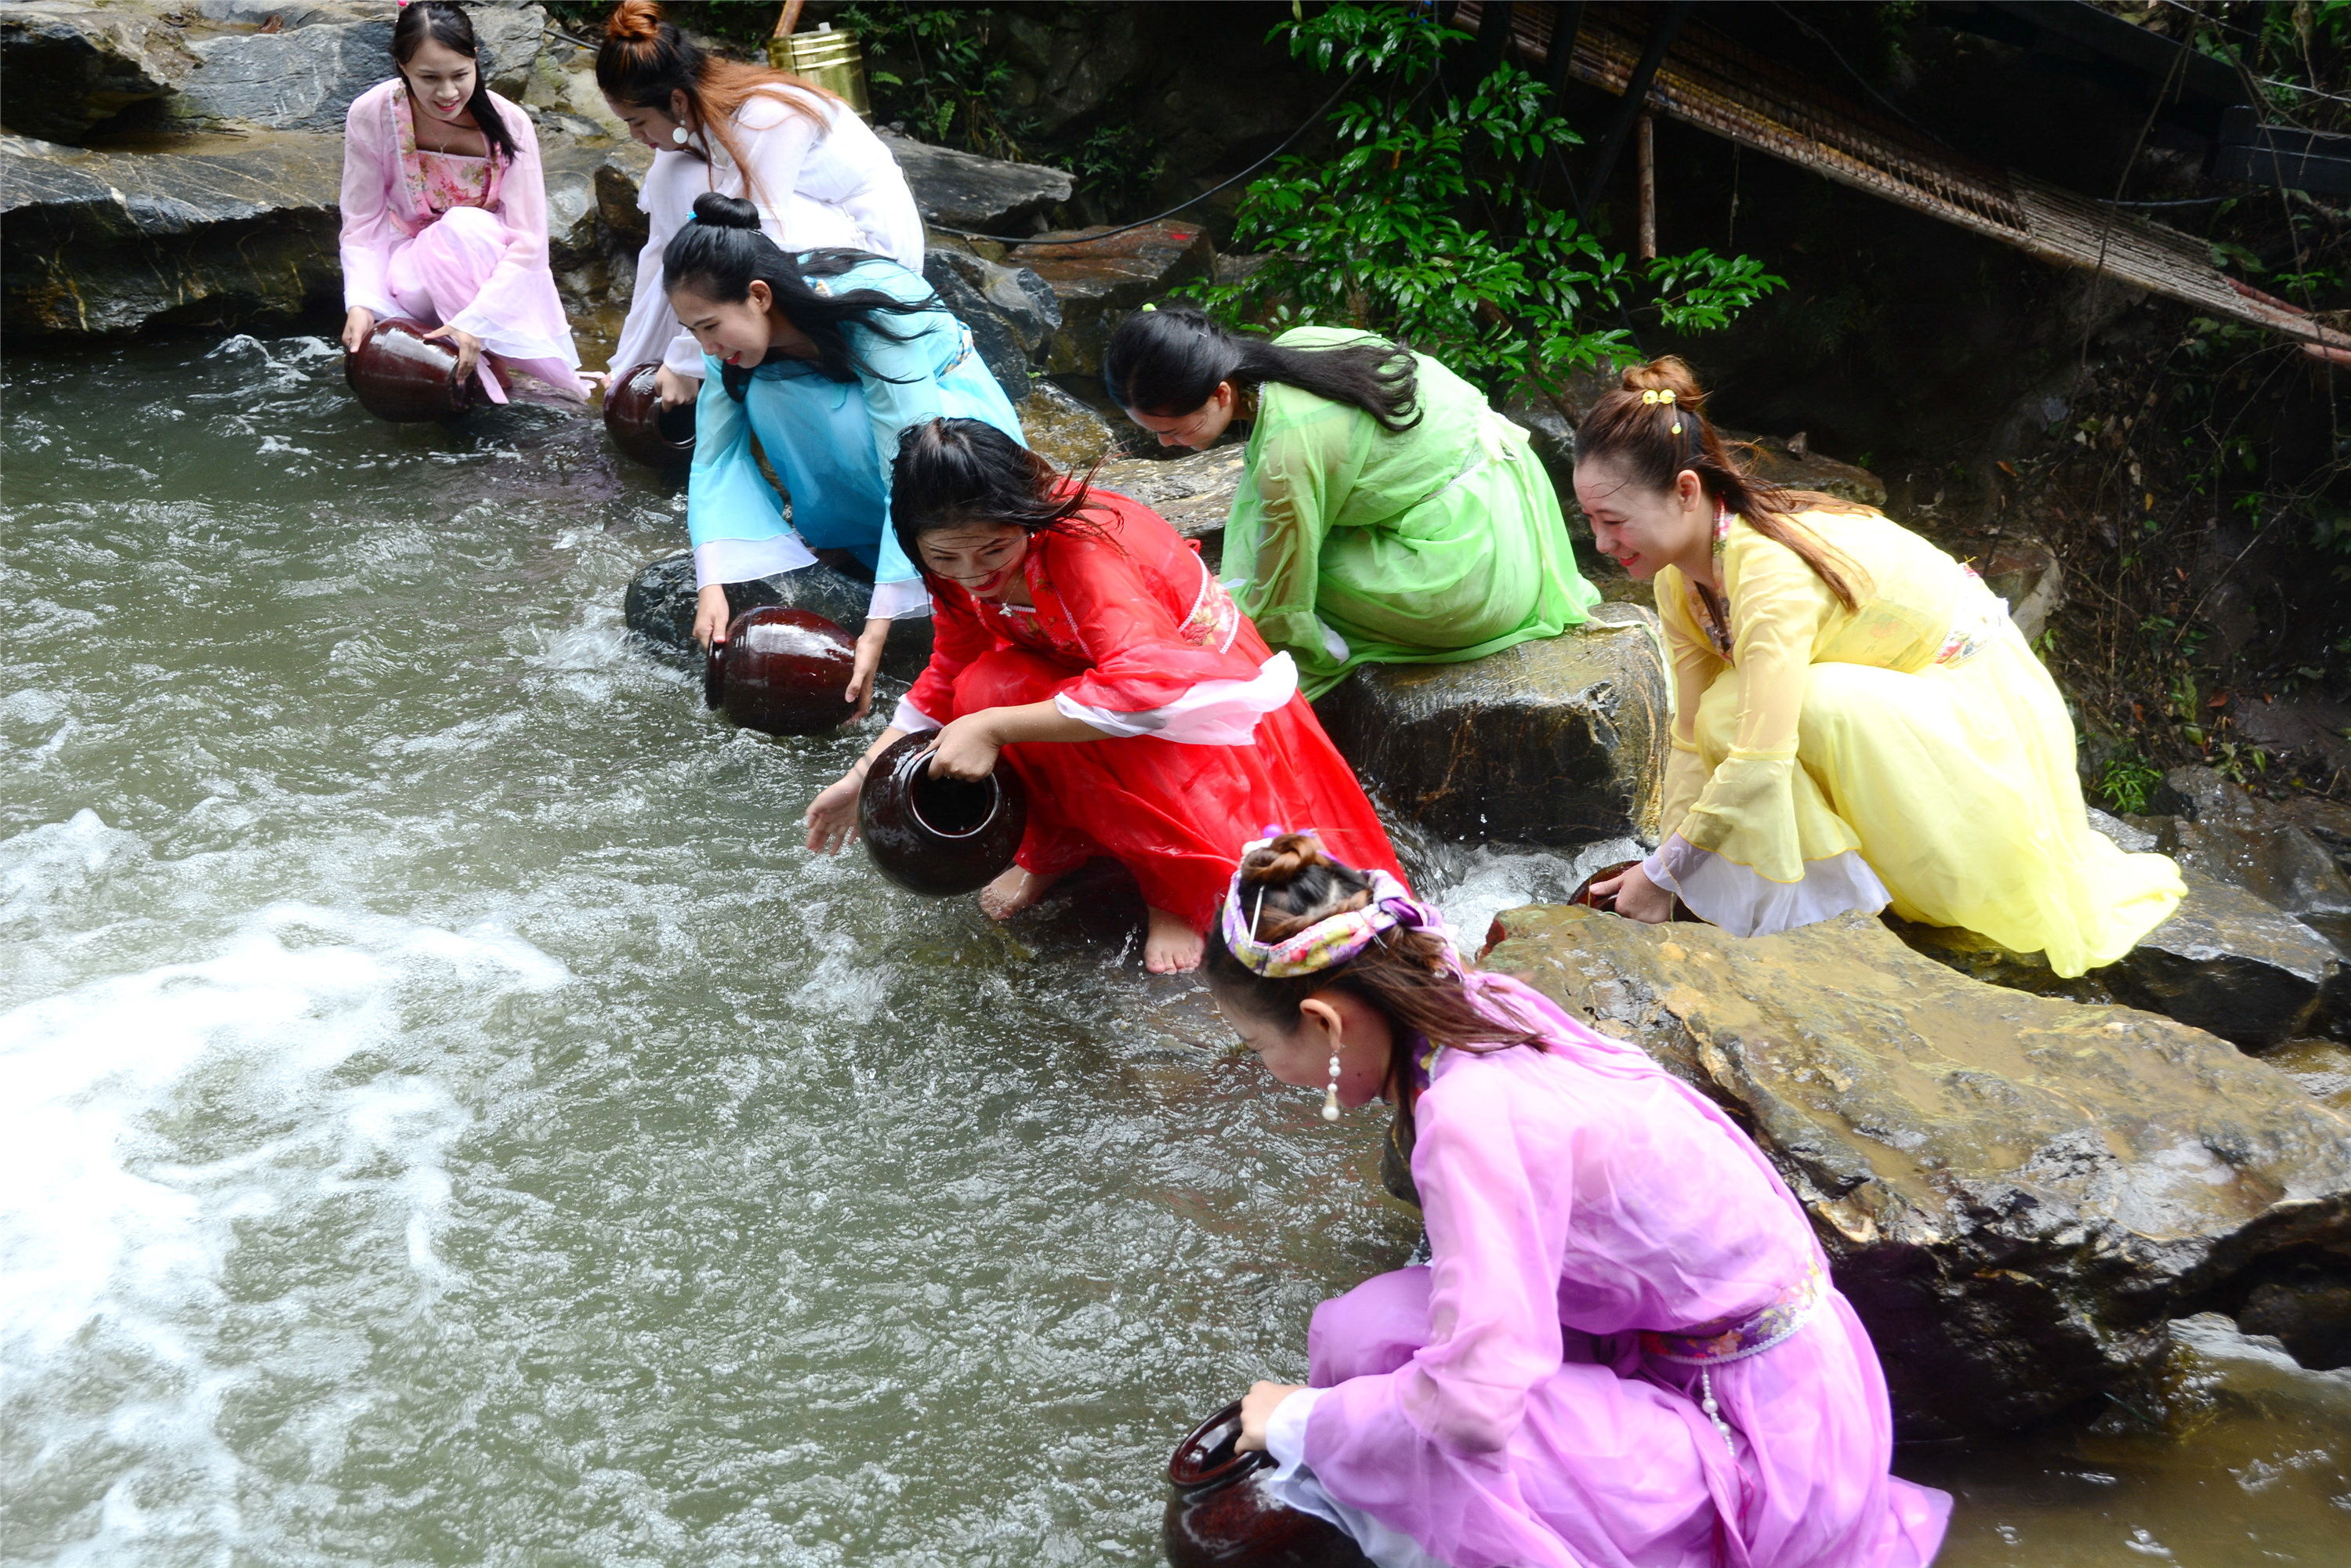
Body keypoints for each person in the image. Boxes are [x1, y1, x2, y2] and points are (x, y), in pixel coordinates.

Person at [1205, 831, 1951, 1568]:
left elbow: (1472, 1407)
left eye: (1261, 1048)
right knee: (1361, 1333)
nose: (1270, 1070)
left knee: (1432, 1445)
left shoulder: (1471, 1117)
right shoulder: (1480, 1005)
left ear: (1325, 1022)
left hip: (1760, 1439)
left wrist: (1304, 1421)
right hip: (1764, 1369)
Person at [1574, 357, 2183, 976]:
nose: (1601, 544)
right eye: (1591, 522)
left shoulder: (1768, 569)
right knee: (1722, 714)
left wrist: (1668, 870)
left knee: (1762, 715)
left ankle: (1837, 911)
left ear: (1685, 492)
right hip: (1901, 714)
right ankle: (1829, 900)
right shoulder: (1680, 583)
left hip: (1979, 715)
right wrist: (1667, 871)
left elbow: (1759, 762)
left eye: (1614, 521)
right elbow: (1687, 739)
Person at [802, 419, 1405, 974]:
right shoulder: (954, 561)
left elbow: (1146, 689)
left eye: (992, 550)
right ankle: (1055, 848)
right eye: (944, 557)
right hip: (1092, 683)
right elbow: (952, 664)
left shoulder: (1084, 548)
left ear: (1028, 516)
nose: (972, 572)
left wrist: (995, 728)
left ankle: (1174, 889)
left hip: (1191, 706)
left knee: (997, 711)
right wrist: (865, 774)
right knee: (985, 687)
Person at [1103, 307, 1600, 698]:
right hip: (1513, 505)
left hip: (1473, 576)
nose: (1167, 446)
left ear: (1220, 392)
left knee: (1277, 566)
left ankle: (1336, 638)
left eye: (1173, 431)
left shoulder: (1288, 451)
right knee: (1269, 517)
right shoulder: (1300, 346)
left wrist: (1260, 635)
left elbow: (1281, 586)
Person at [665, 194, 1024, 711]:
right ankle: (847, 534)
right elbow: (716, 457)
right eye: (693, 331)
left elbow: (913, 460)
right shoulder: (731, 350)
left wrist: (879, 627)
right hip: (871, 431)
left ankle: (915, 560)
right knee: (768, 391)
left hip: (949, 433)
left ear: (759, 296)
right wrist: (713, 581)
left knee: (861, 427)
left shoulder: (868, 312)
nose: (706, 346)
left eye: (710, 326)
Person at [599, 0, 923, 410]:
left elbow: (747, 239)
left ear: (677, 101)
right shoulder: (704, 116)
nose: (633, 135)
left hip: (873, 257)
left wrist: (685, 360)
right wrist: (629, 367)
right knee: (668, 177)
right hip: (801, 234)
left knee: (714, 220)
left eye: (638, 122)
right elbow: (661, 256)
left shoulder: (768, 115)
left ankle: (722, 344)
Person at [338, 0, 586, 404]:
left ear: (475, 61)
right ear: (402, 66)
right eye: (429, 78)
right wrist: (362, 302)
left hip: (486, 266)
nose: (448, 92)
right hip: (412, 269)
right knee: (406, 288)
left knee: (459, 227)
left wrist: (478, 320)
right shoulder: (372, 113)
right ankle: (455, 363)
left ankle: (494, 357)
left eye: (460, 75)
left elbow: (529, 244)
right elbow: (362, 222)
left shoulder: (510, 124)